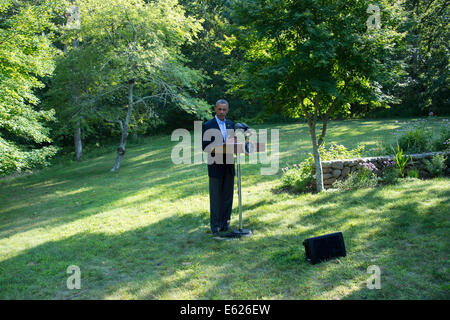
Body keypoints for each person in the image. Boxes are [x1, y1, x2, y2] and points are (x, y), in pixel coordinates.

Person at [202, 99, 235, 238]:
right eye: (220, 109)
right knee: (216, 198)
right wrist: (224, 145)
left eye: (224, 109)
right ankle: (215, 226)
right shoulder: (207, 125)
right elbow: (206, 147)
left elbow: (234, 144)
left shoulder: (231, 124)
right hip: (215, 165)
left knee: (228, 196)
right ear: (215, 109)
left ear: (227, 110)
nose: (222, 112)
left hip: (229, 165)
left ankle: (225, 223)